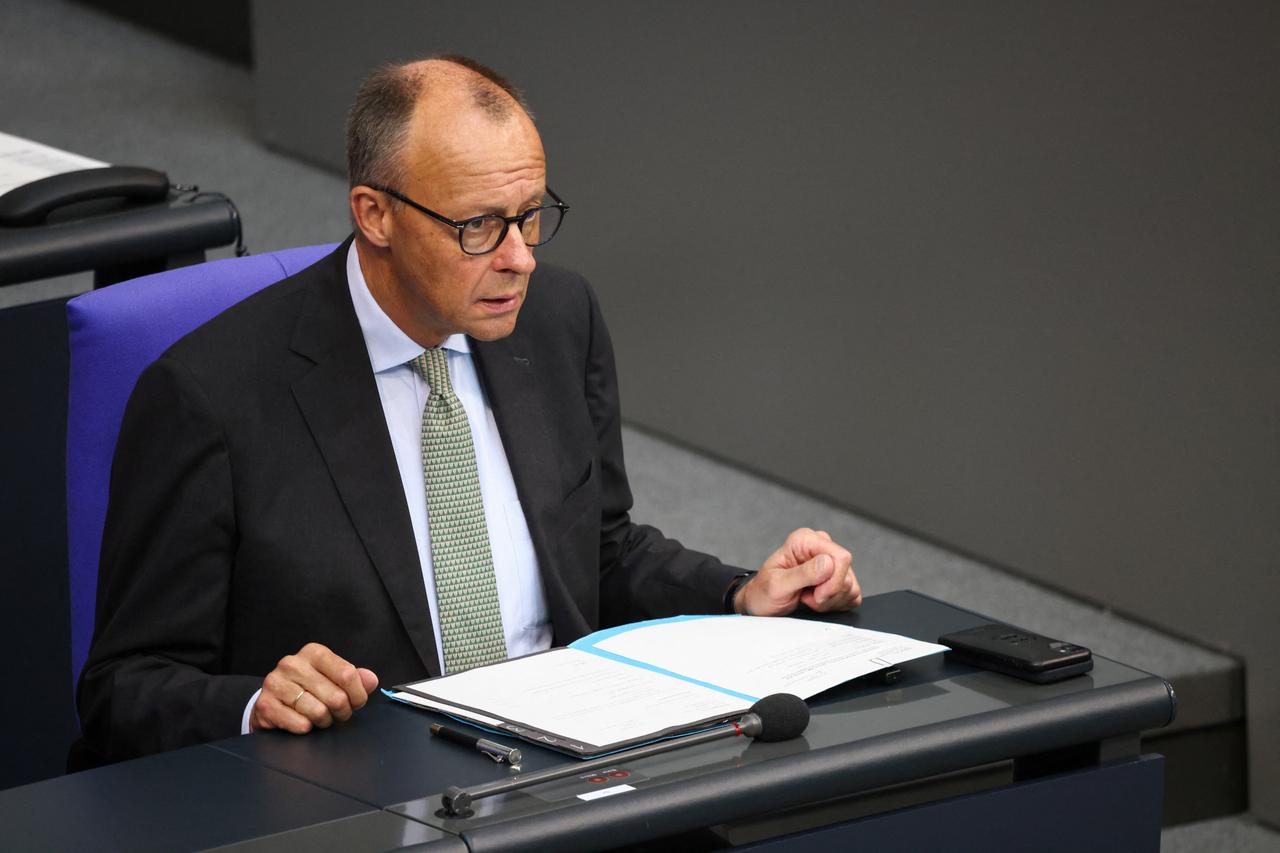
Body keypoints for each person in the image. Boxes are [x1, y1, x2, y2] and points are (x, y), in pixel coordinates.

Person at [75, 55, 860, 765]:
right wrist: (257, 703)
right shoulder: (210, 396)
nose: (520, 258)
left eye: (530, 214)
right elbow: (125, 685)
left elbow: (599, 552)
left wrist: (739, 594)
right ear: (375, 215)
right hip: (372, 787)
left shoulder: (558, 319)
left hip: (567, 760)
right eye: (478, 225)